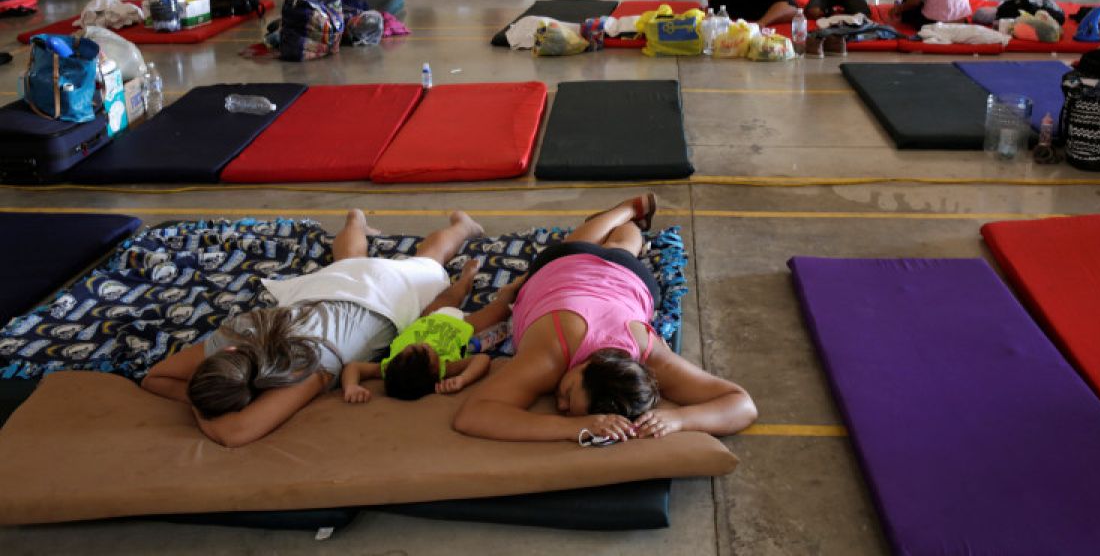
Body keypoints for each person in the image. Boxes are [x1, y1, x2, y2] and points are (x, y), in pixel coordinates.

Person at [141, 209, 485, 447]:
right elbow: (155, 379)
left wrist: (203, 406)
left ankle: (461, 226)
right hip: (326, 291)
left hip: (380, 295)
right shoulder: (232, 335)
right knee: (351, 263)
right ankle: (358, 219)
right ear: (228, 354)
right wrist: (207, 396)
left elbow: (236, 431)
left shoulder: (307, 365)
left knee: (429, 263)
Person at [453, 194, 758, 443]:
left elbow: (743, 404)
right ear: (587, 365)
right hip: (569, 265)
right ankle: (624, 211)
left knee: (619, 246)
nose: (559, 405)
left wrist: (678, 419)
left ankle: (628, 217)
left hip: (627, 274)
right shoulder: (551, 353)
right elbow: (473, 416)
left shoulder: (651, 357)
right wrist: (574, 427)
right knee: (576, 245)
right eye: (568, 395)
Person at [340, 260, 519, 402]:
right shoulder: (445, 368)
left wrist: (351, 387)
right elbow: (482, 359)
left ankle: (467, 277)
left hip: (430, 318)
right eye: (425, 349)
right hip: (464, 326)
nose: (422, 342)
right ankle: (509, 291)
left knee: (449, 295)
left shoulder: (389, 368)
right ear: (434, 369)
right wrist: (463, 379)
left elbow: (353, 367)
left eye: (409, 347)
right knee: (501, 309)